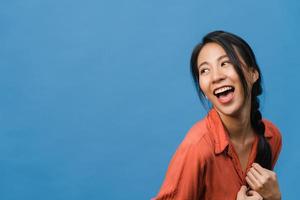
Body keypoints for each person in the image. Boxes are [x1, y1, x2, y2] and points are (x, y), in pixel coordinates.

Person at [152, 31, 282, 200]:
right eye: (205, 70)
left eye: (225, 63)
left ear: (253, 74)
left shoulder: (271, 137)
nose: (216, 77)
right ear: (204, 91)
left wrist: (274, 198)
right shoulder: (197, 148)